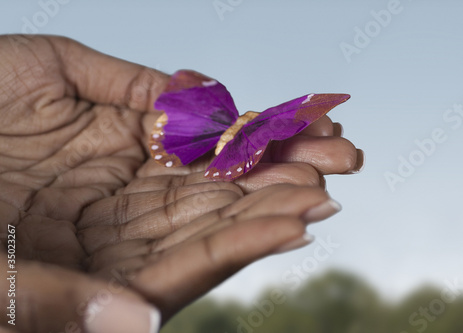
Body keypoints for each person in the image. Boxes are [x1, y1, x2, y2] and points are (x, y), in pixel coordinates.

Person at [0, 35, 363, 333]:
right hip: (231, 147)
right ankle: (217, 157)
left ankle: (204, 152)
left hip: (217, 138)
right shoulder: (254, 123)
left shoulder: (225, 114)